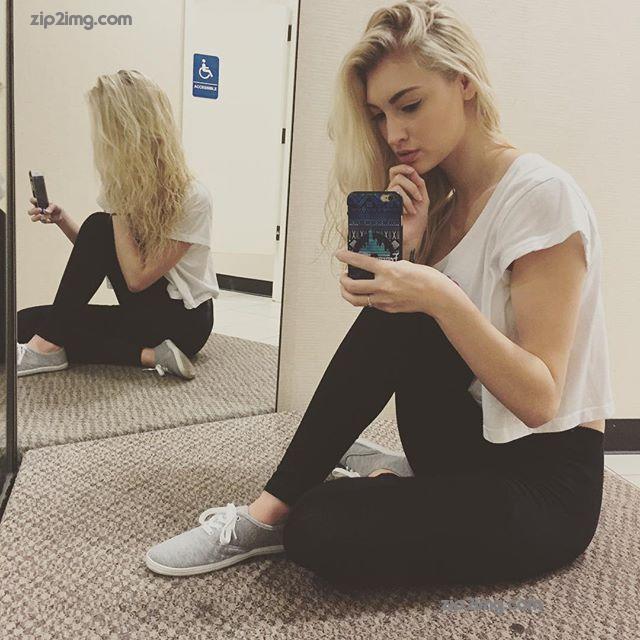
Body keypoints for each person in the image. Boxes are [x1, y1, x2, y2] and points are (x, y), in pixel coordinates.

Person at [145, 0, 614, 587]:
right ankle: (268, 512)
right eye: (379, 116)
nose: (394, 134)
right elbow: (421, 351)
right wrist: (412, 257)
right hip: (469, 445)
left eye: (409, 105)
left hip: (544, 481)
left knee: (319, 528)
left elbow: (540, 400)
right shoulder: (444, 203)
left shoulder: (540, 195)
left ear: (464, 82)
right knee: (406, 310)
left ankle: (316, 501)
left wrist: (435, 292)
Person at [16, 70, 219, 380]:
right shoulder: (125, 186)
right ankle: (151, 355)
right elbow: (100, 255)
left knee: (98, 227)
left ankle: (46, 348)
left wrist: (119, 205)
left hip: (184, 323)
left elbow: (136, 278)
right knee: (26, 322)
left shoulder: (193, 197)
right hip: (143, 313)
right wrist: (63, 220)